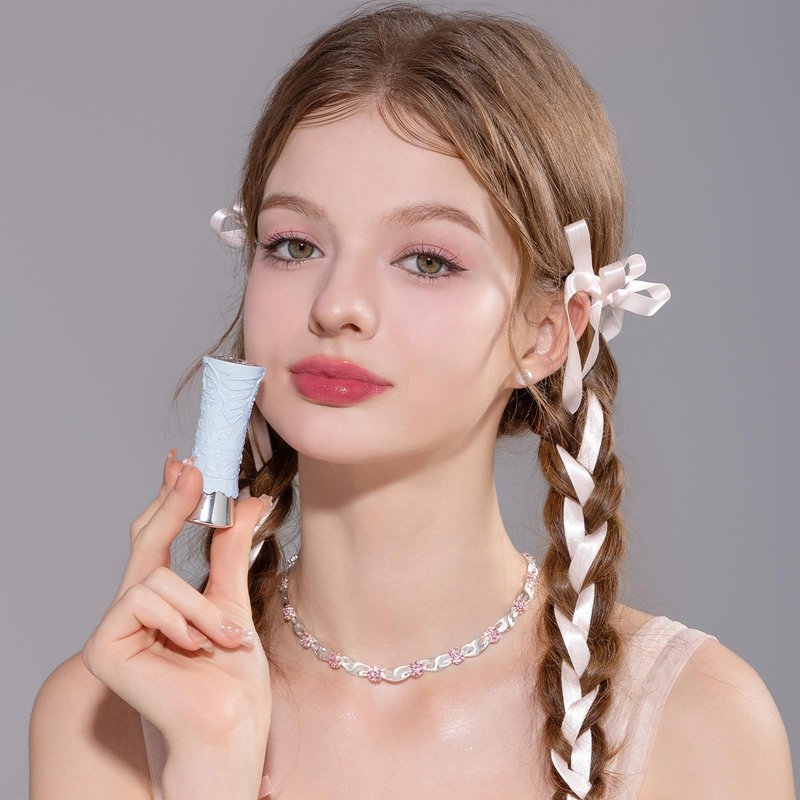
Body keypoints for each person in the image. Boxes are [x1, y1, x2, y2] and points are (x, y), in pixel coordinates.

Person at [30, 4, 795, 799]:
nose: (337, 305)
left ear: (546, 333)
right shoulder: (105, 717)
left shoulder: (697, 726)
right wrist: (209, 769)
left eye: (427, 260)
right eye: (294, 245)